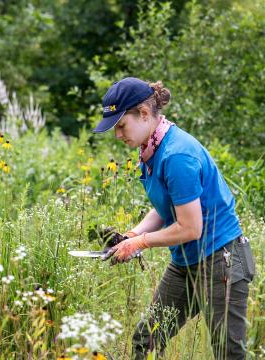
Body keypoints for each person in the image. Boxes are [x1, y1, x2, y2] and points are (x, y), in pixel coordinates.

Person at [93, 77, 255, 359]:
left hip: (221, 263)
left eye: (121, 125)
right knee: (146, 340)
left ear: (144, 114)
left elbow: (190, 227)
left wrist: (141, 243)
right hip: (185, 264)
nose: (118, 135)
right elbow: (167, 207)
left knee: (228, 353)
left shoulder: (177, 154)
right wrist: (132, 235)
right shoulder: (150, 149)